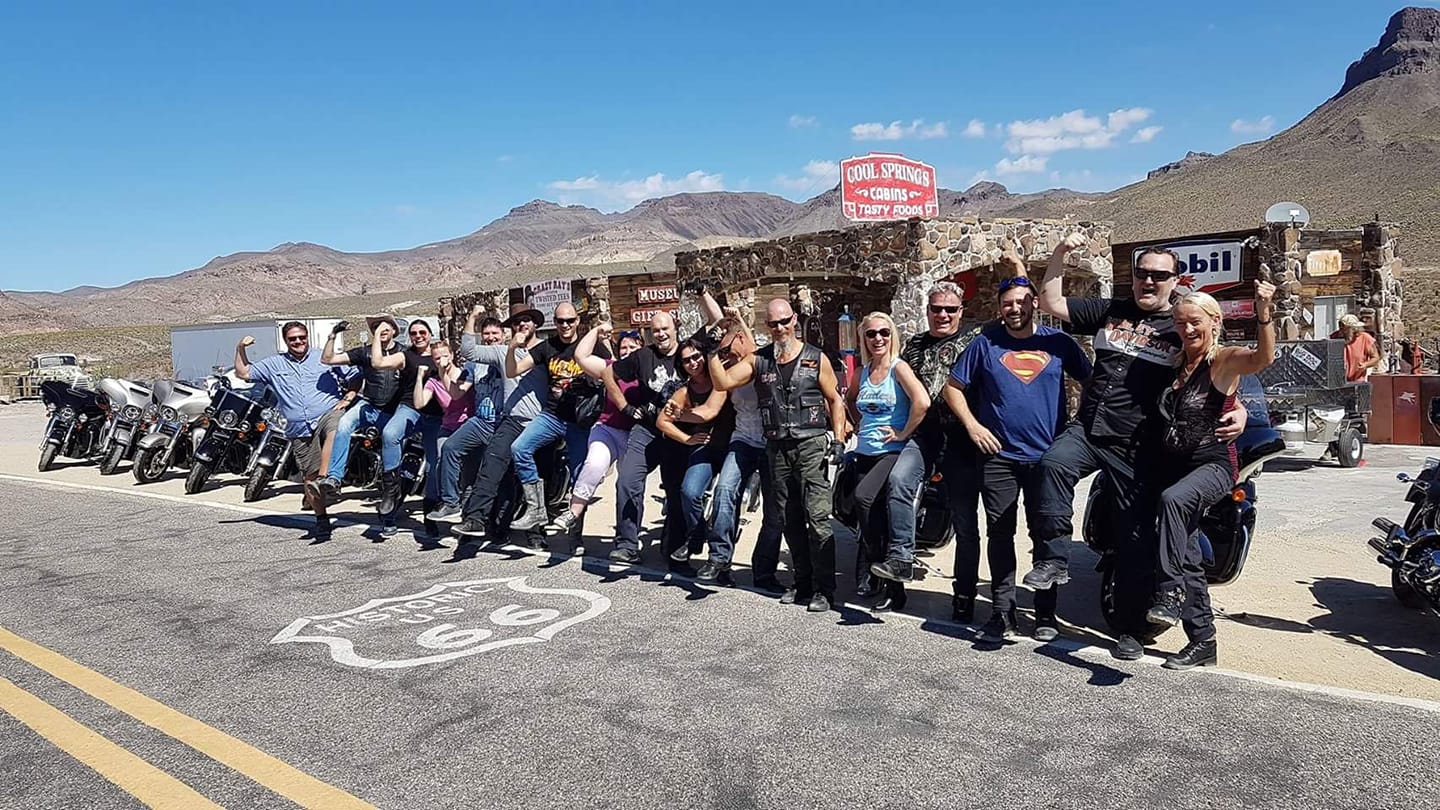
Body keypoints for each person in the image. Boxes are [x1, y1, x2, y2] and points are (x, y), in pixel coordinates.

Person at [1034, 234, 1248, 661]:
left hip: (1137, 446)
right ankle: (1055, 558)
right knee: (1053, 464)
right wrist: (1060, 255)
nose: (1148, 281)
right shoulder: (1111, 310)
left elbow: (1216, 372)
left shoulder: (1184, 324)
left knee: (1133, 540)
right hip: (1090, 429)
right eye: (1141, 274)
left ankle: (1130, 630)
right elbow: (1051, 303)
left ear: (1174, 279)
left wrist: (1239, 409)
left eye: (1159, 275)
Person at [945, 276, 1091, 642]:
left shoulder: (1059, 343)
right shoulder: (984, 344)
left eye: (1022, 302)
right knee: (1000, 533)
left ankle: (1045, 614)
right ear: (1000, 308)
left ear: (1035, 305)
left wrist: (1078, 429)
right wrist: (973, 427)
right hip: (998, 456)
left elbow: (1093, 382)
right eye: (1008, 303)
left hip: (1048, 458)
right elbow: (952, 387)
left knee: (1044, 533)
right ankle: (1002, 612)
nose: (1015, 308)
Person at [1145, 280, 1276, 670]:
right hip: (1177, 467)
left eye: (1195, 323)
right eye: (1181, 323)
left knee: (1173, 500)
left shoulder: (1223, 361)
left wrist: (1264, 314)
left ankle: (1167, 594)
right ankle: (1203, 641)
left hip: (1215, 466)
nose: (1187, 330)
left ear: (1214, 321)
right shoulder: (1176, 364)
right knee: (1187, 556)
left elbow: (1262, 359)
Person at [710, 298, 849, 612]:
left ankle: (824, 590)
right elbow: (724, 381)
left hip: (810, 444)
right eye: (773, 324)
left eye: (785, 321)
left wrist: (838, 439)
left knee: (818, 518)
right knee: (789, 518)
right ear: (766, 326)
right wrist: (712, 351)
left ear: (795, 319)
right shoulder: (759, 361)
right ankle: (802, 584)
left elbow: (834, 400)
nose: (780, 328)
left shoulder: (816, 357)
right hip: (776, 448)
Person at [880, 281, 985, 623]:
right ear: (927, 311)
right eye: (936, 309)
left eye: (949, 309)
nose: (942, 315)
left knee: (965, 520)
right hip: (924, 436)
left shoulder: (976, 340)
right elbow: (897, 390)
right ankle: (899, 566)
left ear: (960, 312)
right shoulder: (914, 346)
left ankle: (965, 594)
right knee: (898, 483)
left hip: (961, 441)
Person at [604, 294, 723, 566]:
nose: (660, 334)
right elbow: (609, 374)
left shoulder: (688, 352)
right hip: (646, 430)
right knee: (627, 481)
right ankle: (627, 544)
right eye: (655, 330)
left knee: (677, 490)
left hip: (679, 433)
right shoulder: (641, 356)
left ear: (675, 329)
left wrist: (703, 293)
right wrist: (623, 407)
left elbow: (716, 320)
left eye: (665, 329)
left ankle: (675, 552)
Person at [234, 321, 358, 541]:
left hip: (326, 413)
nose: (299, 342)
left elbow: (355, 376)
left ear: (307, 336)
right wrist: (240, 348)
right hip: (299, 427)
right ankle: (321, 519)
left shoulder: (324, 357)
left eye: (302, 337)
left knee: (336, 425)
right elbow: (243, 373)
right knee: (308, 477)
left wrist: (348, 397)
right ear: (286, 341)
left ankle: (327, 477)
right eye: (293, 339)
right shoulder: (274, 364)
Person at [844, 312, 929, 612]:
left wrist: (904, 431)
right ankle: (893, 589)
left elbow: (922, 401)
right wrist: (854, 424)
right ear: (863, 338)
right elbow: (850, 401)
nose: (878, 338)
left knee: (864, 498)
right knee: (873, 517)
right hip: (863, 451)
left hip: (891, 451)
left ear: (892, 336)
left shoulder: (899, 368)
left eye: (884, 332)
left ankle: (876, 563)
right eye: (871, 334)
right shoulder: (862, 372)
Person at [504, 302, 607, 537]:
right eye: (560, 321)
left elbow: (611, 373)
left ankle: (575, 535)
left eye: (570, 320)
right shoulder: (547, 347)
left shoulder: (592, 346)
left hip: (580, 421)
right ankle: (536, 509)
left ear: (577, 322)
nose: (565, 325)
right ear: (555, 323)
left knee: (580, 476)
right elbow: (512, 371)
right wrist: (511, 348)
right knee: (519, 448)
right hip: (552, 415)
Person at [452, 302, 550, 543]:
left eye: (526, 320)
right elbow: (469, 352)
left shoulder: (548, 350)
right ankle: (475, 519)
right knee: (492, 462)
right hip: (513, 420)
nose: (521, 324)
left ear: (535, 324)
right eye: (517, 322)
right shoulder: (501, 351)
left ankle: (536, 531)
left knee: (540, 475)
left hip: (542, 421)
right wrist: (473, 318)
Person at [702, 318, 788, 590]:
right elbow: (719, 388)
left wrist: (738, 321)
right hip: (743, 439)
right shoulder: (728, 368)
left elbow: (750, 346)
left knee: (775, 510)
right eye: (723, 353)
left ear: (741, 338)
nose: (728, 357)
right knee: (725, 490)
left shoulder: (763, 359)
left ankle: (764, 572)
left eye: (729, 350)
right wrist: (714, 353)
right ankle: (719, 559)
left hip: (772, 442)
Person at [544, 324, 644, 539]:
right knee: (594, 464)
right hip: (607, 429)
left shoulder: (649, 370)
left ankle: (627, 539)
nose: (626, 351)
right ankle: (573, 512)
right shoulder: (611, 367)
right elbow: (581, 355)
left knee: (628, 486)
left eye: (632, 347)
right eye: (623, 348)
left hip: (635, 435)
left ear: (642, 349)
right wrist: (596, 330)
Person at [316, 315, 410, 532]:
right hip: (369, 407)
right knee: (345, 422)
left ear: (395, 331)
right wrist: (332, 335)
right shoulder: (364, 352)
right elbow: (328, 359)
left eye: (385, 328)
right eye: (376, 328)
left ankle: (389, 517)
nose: (380, 331)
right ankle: (334, 478)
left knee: (392, 461)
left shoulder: (405, 353)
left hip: (394, 413)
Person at [424, 309, 508, 524]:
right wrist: (442, 372)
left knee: (500, 474)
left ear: (503, 335)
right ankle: (451, 502)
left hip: (504, 424)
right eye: (486, 334)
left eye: (494, 334)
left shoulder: (509, 356)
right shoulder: (473, 364)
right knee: (449, 448)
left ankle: (500, 522)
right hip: (480, 422)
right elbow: (456, 392)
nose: (490, 338)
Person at [657, 339, 734, 567]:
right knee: (689, 492)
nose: (693, 363)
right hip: (706, 448)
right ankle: (697, 533)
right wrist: (687, 439)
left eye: (696, 356)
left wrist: (681, 415)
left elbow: (710, 411)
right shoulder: (684, 391)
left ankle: (722, 562)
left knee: (725, 499)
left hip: (731, 447)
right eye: (687, 360)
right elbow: (663, 421)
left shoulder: (721, 379)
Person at [412, 339, 475, 540]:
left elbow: (456, 395)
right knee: (439, 462)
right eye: (437, 358)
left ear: (452, 356)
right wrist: (420, 378)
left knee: (468, 473)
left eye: (444, 356)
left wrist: (445, 374)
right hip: (447, 427)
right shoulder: (433, 381)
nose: (441, 361)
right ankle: (443, 506)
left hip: (468, 425)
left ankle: (468, 518)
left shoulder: (464, 374)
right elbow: (420, 403)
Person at [1333, 313, 1380, 382]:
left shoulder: (1365, 338)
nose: (1341, 330)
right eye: (1340, 327)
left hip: (1357, 381)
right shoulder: (1334, 337)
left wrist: (1365, 365)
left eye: (1344, 328)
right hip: (1338, 381)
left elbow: (1375, 358)